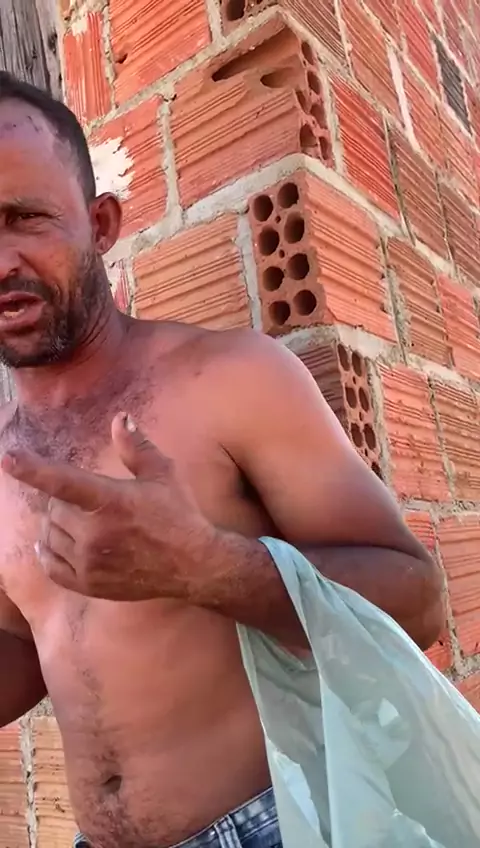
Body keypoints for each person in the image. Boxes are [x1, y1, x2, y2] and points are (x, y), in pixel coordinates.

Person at [0, 70, 443, 848]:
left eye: (23, 218)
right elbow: (31, 650)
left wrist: (205, 568)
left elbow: (418, 602)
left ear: (100, 224)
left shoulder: (233, 377)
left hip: (277, 824)